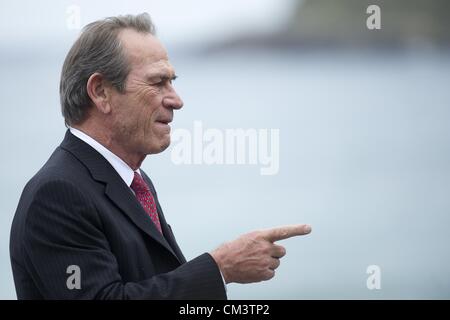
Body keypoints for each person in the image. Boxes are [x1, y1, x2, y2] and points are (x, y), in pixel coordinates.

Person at [9, 13, 311, 299]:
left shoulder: (133, 181)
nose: (176, 100)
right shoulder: (56, 195)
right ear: (100, 92)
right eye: (157, 82)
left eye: (172, 81)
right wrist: (220, 268)